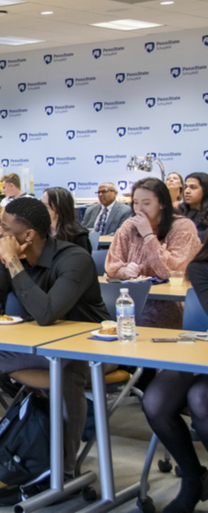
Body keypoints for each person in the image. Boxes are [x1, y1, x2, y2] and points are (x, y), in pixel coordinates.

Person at [0, 197, 110, 477]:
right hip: (38, 347)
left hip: (89, 353)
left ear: (28, 235)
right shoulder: (11, 257)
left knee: (64, 366)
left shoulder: (75, 259)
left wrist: (12, 260)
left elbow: (46, 313)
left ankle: (64, 468)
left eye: (5, 228)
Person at [142, 238, 208, 513]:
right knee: (155, 400)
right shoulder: (201, 268)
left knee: (200, 397)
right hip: (201, 349)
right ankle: (194, 478)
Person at [105, 177, 201, 328]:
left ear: (162, 204)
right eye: (135, 203)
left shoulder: (183, 227)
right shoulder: (129, 226)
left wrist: (149, 236)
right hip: (131, 298)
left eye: (147, 203)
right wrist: (125, 271)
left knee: (142, 320)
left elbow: (171, 271)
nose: (139, 209)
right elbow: (112, 265)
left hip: (169, 303)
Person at [41, 187, 91, 251]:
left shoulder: (79, 237)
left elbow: (82, 260)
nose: (40, 209)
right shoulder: (39, 233)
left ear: (59, 210)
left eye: (45, 206)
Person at [179, 172, 208, 241]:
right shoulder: (179, 213)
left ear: (205, 190)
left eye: (193, 187)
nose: (187, 191)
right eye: (185, 187)